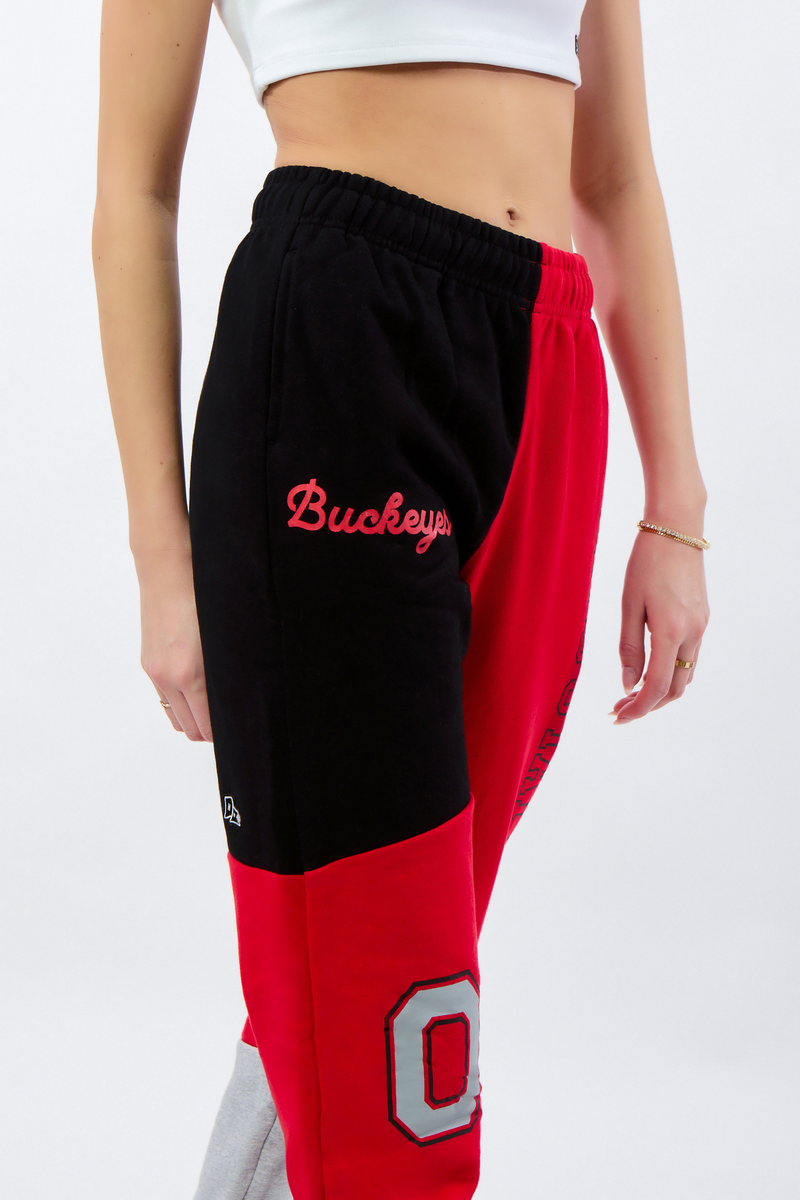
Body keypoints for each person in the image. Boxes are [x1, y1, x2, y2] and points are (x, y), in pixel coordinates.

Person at [92, 0, 710, 1195]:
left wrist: (673, 502)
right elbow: (135, 188)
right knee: (383, 983)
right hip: (341, 351)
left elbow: (615, 176)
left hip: (548, 368)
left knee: (376, 972)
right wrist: (160, 560)